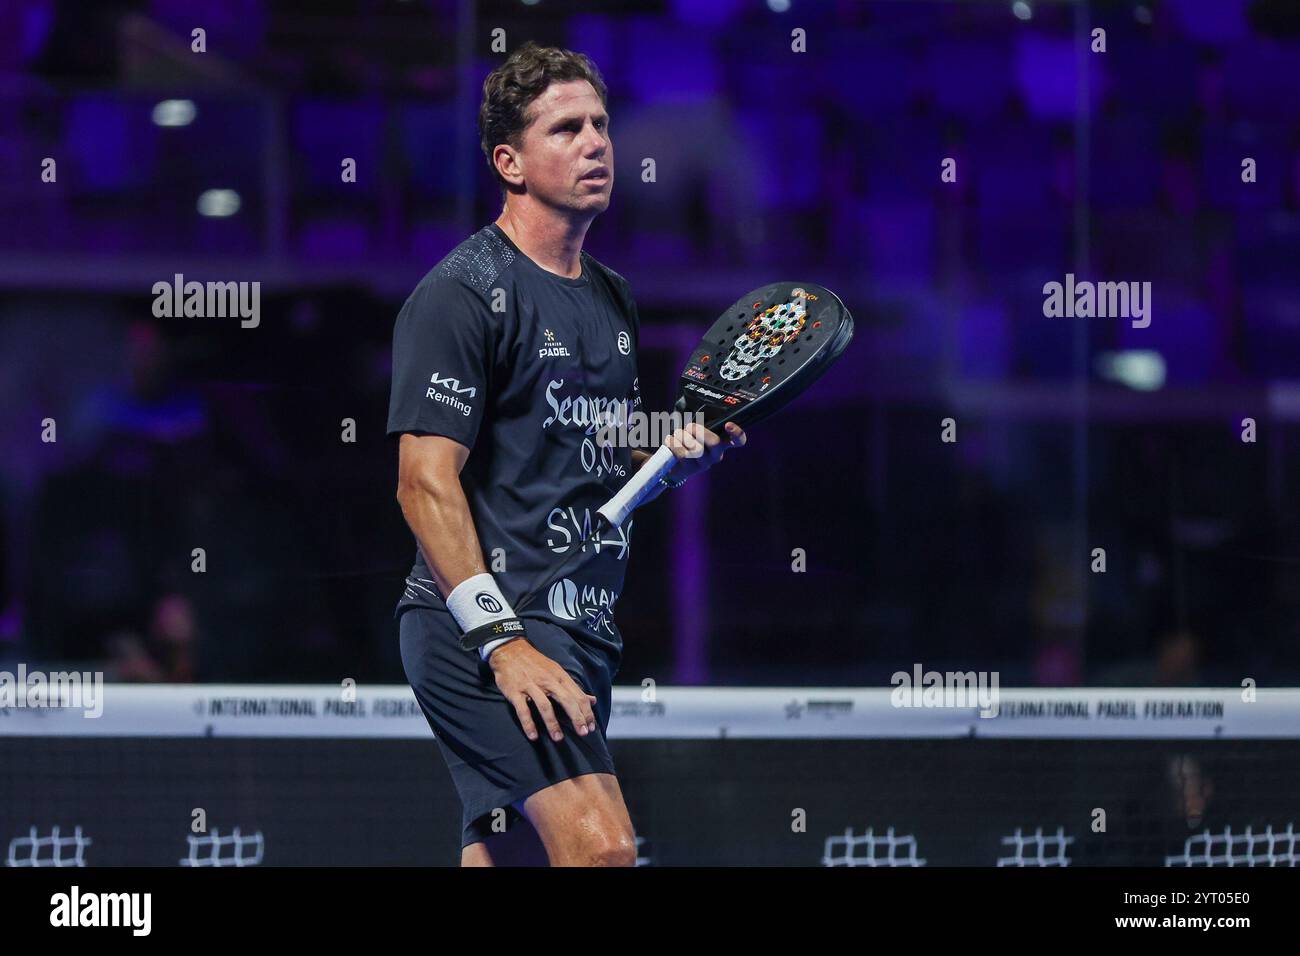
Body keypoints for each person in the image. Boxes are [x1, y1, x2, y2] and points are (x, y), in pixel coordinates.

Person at [386, 42, 746, 867]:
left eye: (601, 125)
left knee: (503, 855)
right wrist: (502, 643)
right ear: (508, 161)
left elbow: (584, 466)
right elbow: (421, 483)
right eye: (567, 128)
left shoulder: (611, 295)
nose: (595, 144)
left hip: (581, 625)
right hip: (485, 625)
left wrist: (668, 463)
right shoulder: (462, 292)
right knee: (604, 849)